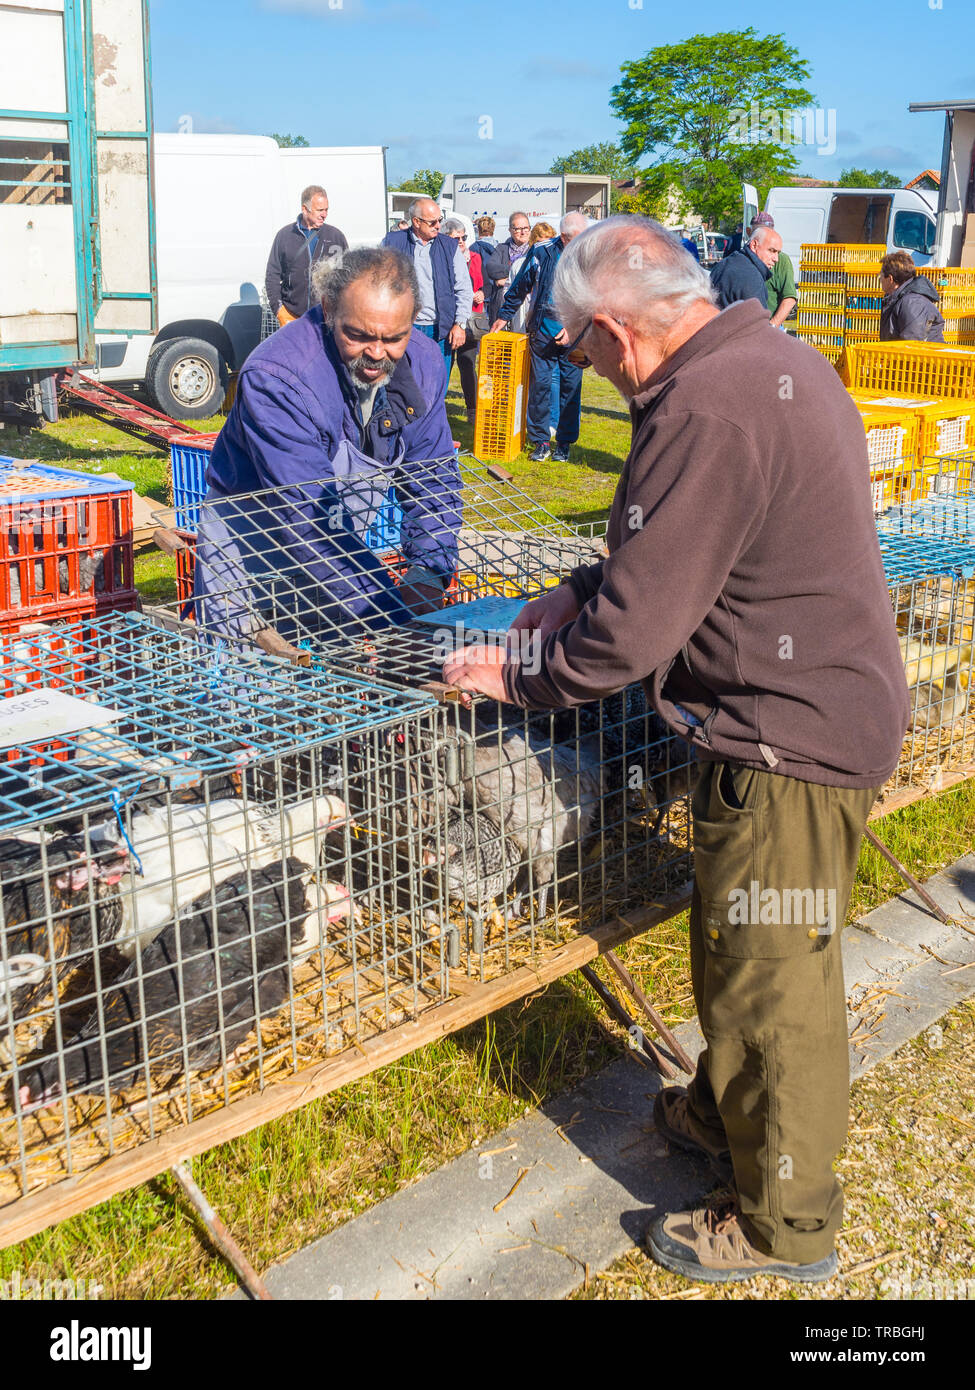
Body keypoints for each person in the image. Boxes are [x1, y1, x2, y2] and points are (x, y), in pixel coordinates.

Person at [444, 214, 909, 1285]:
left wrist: (517, 675)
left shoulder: (703, 404)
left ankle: (783, 1224)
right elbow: (672, 546)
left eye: (577, 347)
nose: (585, 367)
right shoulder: (760, 359)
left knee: (770, 987)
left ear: (613, 326)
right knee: (744, 952)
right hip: (822, 709)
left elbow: (635, 634)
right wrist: (571, 589)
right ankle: (718, 1108)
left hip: (786, 736)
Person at [196, 246, 461, 635]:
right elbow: (306, 516)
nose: (375, 353)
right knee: (253, 682)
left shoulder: (423, 363)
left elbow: (432, 478)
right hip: (255, 551)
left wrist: (426, 576)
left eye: (394, 338)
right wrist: (391, 620)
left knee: (344, 682)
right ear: (329, 308)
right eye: (357, 335)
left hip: (343, 549)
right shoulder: (278, 378)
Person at [491, 211, 589, 464]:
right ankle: (541, 441)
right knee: (541, 386)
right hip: (542, 331)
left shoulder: (592, 254)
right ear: (564, 237)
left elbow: (595, 298)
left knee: (570, 388)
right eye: (574, 238)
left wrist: (573, 327)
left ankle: (564, 443)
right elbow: (521, 285)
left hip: (576, 335)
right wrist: (504, 315)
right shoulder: (541, 252)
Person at [381, 199, 473, 384]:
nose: (439, 226)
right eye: (433, 222)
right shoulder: (392, 242)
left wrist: (460, 324)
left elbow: (463, 288)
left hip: (441, 331)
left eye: (440, 220)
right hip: (404, 329)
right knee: (404, 386)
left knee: (438, 385)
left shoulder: (449, 246)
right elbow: (378, 282)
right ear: (416, 222)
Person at [265, 185, 349, 328]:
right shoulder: (284, 236)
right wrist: (279, 310)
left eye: (326, 209)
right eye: (320, 210)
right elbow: (272, 275)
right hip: (292, 317)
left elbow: (345, 276)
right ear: (305, 209)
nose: (324, 214)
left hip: (325, 318)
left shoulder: (335, 236)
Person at [444, 217, 486, 424]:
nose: (461, 241)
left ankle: (473, 410)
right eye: (456, 238)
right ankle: (437, 411)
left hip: (471, 320)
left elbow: (484, 283)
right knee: (444, 366)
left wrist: (481, 292)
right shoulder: (442, 258)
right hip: (447, 320)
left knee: (467, 363)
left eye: (464, 237)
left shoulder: (475, 257)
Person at [710, 225, 781, 310]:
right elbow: (757, 321)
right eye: (772, 251)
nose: (776, 259)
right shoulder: (752, 278)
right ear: (754, 245)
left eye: (778, 253)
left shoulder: (724, 264)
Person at [880, 251, 945, 341]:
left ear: (890, 279)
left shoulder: (913, 302)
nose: (880, 279)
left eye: (881, 275)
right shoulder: (899, 299)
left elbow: (912, 344)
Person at [747, 212, 797, 328]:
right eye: (758, 233)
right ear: (749, 232)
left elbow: (789, 298)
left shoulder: (781, 260)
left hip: (769, 326)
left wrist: (772, 326)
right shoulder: (740, 258)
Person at [483, 212, 532, 323]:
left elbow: (533, 274)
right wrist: (517, 273)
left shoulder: (535, 249)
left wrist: (506, 281)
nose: (523, 232)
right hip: (500, 306)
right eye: (518, 229)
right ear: (510, 230)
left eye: (526, 228)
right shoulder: (502, 248)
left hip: (526, 309)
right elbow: (491, 267)